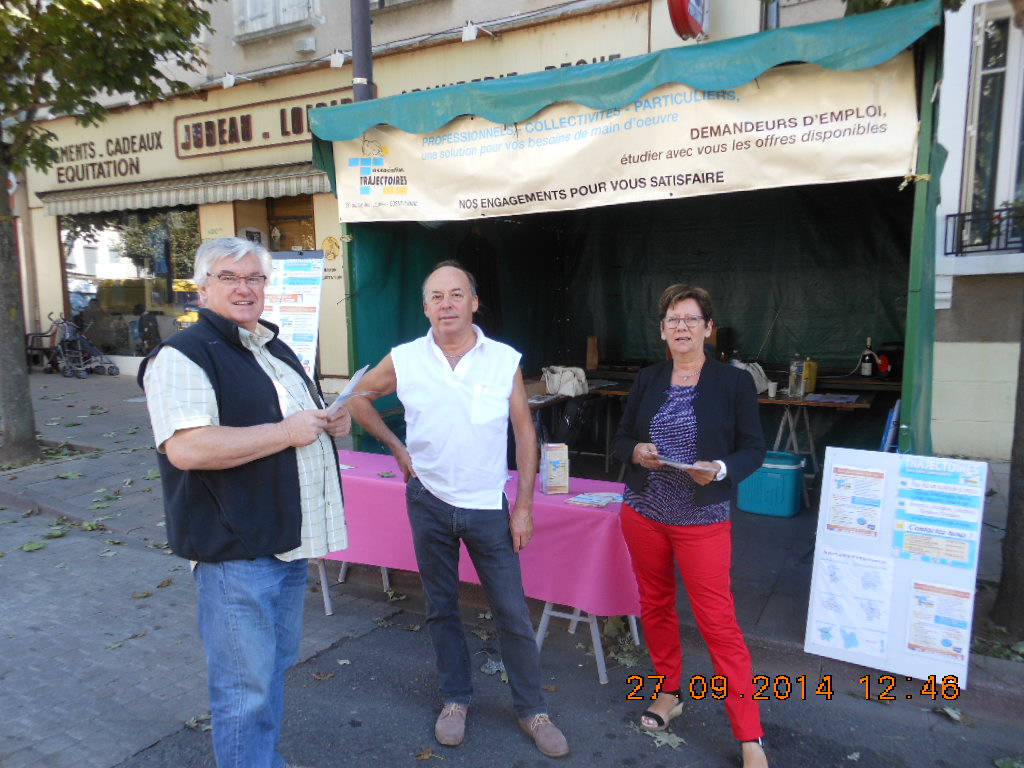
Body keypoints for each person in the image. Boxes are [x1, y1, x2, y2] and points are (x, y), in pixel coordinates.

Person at [138, 237, 350, 768]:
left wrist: (328, 422)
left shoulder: (271, 347)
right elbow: (187, 447)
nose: (244, 288)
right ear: (203, 287)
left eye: (254, 278)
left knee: (269, 674)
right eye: (230, 277)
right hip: (235, 553)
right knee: (243, 691)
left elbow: (298, 424)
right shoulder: (183, 355)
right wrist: (287, 431)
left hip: (284, 543)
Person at [345, 261, 569, 759]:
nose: (446, 304)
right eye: (436, 296)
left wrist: (525, 506)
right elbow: (359, 398)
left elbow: (525, 432)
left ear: (473, 302)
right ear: (425, 307)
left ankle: (533, 709)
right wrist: (397, 449)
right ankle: (455, 700)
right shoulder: (405, 357)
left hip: (488, 506)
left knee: (512, 612)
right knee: (442, 609)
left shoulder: (503, 358)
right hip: (427, 502)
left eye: (456, 294)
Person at [612, 284, 769, 768]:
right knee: (655, 605)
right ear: (662, 330)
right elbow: (621, 437)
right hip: (644, 511)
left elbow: (753, 450)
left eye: (690, 319)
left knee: (717, 622)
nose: (681, 327)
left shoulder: (733, 382)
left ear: (707, 328)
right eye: (673, 320)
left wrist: (720, 469)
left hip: (701, 518)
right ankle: (669, 693)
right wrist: (635, 451)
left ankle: (749, 735)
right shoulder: (649, 378)